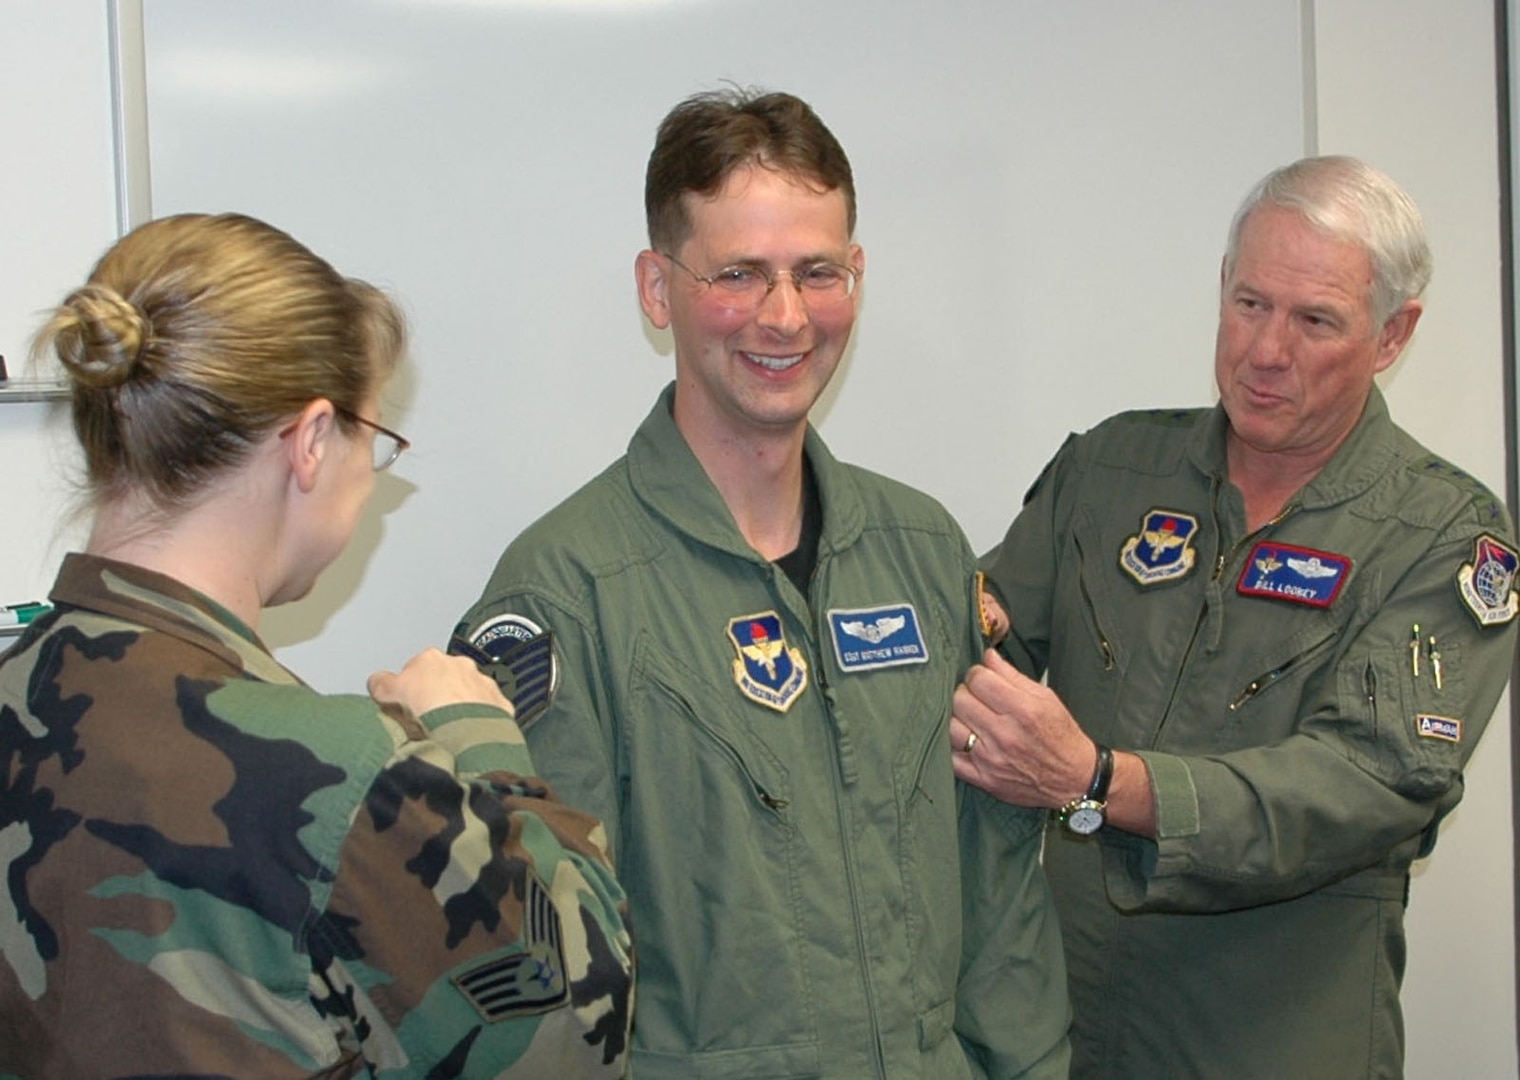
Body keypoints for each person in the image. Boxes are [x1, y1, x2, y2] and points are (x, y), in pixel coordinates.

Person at [453, 88, 1070, 1078]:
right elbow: (530, 961)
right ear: (658, 290)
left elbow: (996, 886)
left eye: (815, 272)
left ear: (854, 280)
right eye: (737, 274)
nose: (784, 317)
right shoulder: (564, 591)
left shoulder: (919, 552)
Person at [0, 213, 633, 1078]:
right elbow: (575, 1031)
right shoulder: (346, 771)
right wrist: (481, 749)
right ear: (308, 443)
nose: (370, 477)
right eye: (373, 442)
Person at [952, 155, 1519, 1078]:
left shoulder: (1445, 533)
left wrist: (1100, 781)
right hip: (1060, 1031)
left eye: (1315, 321)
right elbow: (974, 650)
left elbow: (1368, 782)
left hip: (1272, 1042)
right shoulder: (1111, 470)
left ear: (1392, 334)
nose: (1265, 350)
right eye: (1250, 303)